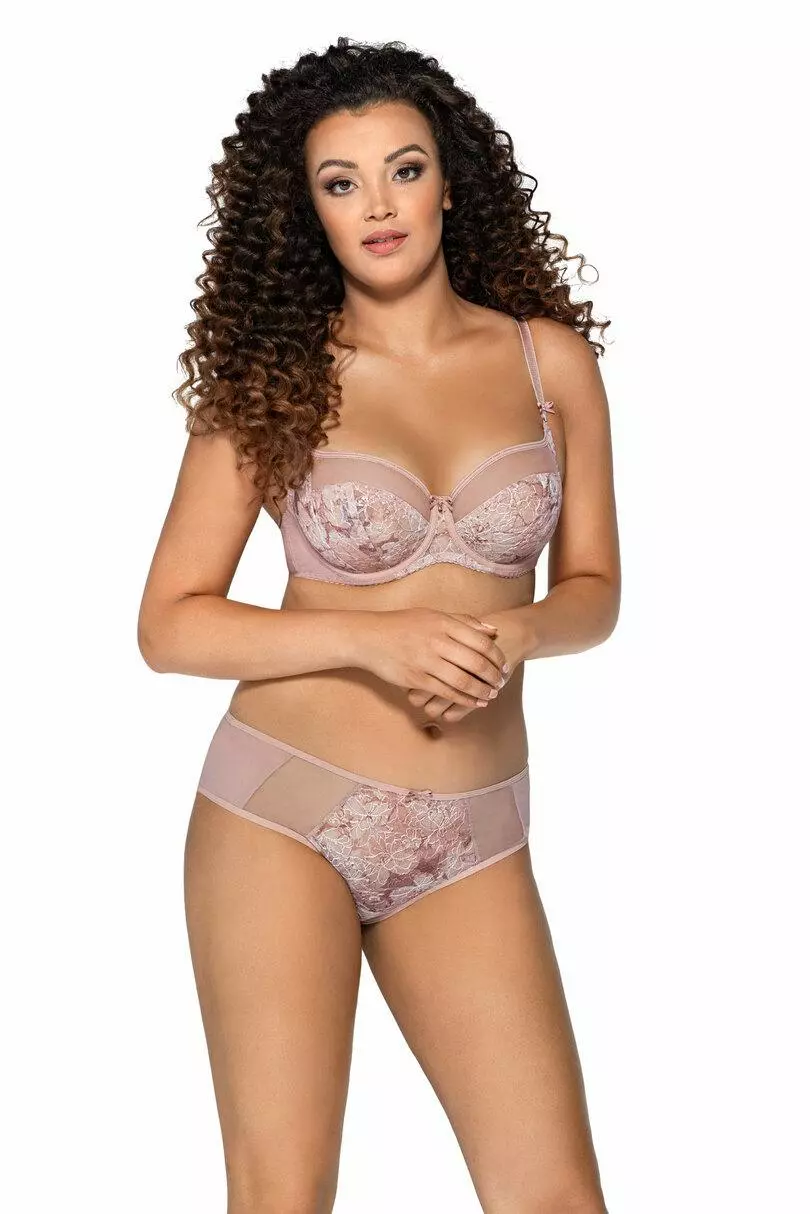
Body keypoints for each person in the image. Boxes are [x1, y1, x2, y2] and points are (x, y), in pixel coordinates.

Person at [138, 36, 620, 1214]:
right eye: (341, 182)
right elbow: (170, 624)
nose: (379, 205)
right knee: (285, 1193)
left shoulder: (547, 363)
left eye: (404, 169)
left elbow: (594, 586)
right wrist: (375, 636)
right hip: (284, 810)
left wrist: (521, 633)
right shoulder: (278, 377)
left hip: (471, 830)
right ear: (309, 210)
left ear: (450, 180)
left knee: (556, 1196)